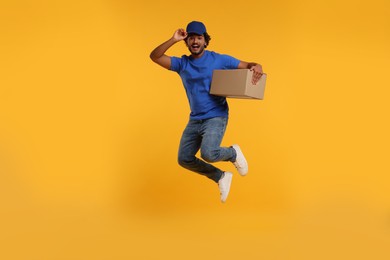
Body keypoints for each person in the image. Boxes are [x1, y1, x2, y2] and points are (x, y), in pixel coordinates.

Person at [150, 21, 263, 203]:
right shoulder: (182, 64)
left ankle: (233, 153)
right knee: (184, 158)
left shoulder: (219, 60)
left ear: (205, 41)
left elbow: (249, 64)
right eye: (191, 38)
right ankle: (220, 176)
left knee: (208, 153)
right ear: (187, 42)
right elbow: (155, 56)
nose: (195, 41)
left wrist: (257, 66)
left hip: (216, 115)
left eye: (199, 38)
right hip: (195, 119)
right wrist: (173, 39)